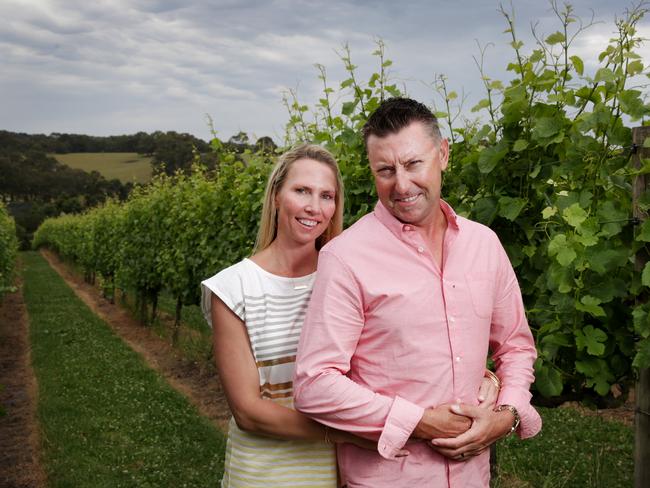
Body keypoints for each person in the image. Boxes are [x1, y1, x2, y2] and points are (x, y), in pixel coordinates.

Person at [293, 98, 542, 487]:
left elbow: (515, 346)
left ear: (442, 154)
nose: (402, 184)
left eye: (413, 164)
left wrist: (505, 415)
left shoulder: (485, 244)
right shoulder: (345, 257)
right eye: (385, 170)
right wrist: (420, 423)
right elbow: (315, 384)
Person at [201, 144, 371, 487]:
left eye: (327, 196)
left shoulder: (348, 279)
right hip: (263, 476)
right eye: (302, 191)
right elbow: (248, 412)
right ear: (276, 196)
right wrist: (347, 434)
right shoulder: (233, 289)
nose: (314, 207)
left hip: (344, 475)